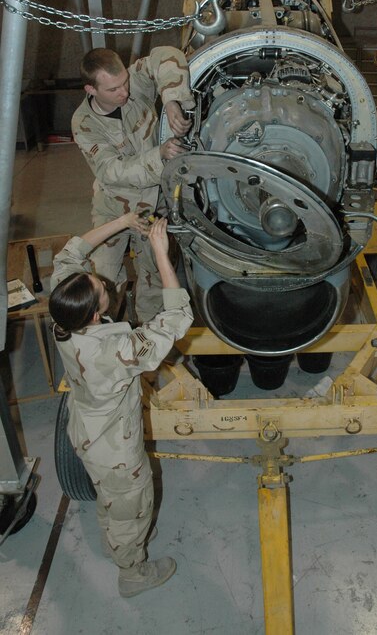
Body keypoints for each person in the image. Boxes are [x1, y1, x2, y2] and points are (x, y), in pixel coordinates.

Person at [49, 213, 193, 597]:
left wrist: (124, 220)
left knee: (112, 498)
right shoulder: (115, 351)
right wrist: (162, 255)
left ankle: (119, 535)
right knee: (132, 503)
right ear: (98, 313)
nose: (106, 283)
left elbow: (73, 250)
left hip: (87, 429)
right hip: (116, 447)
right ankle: (132, 572)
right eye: (102, 287)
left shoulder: (62, 312)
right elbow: (177, 318)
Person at [71, 46, 194, 323]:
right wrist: (159, 155)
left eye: (125, 81)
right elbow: (111, 171)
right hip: (114, 207)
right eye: (113, 89)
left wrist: (171, 98)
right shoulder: (84, 124)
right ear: (91, 90)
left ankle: (147, 340)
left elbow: (165, 54)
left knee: (154, 276)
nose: (124, 92)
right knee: (104, 280)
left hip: (154, 203)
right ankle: (106, 335)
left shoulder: (133, 82)